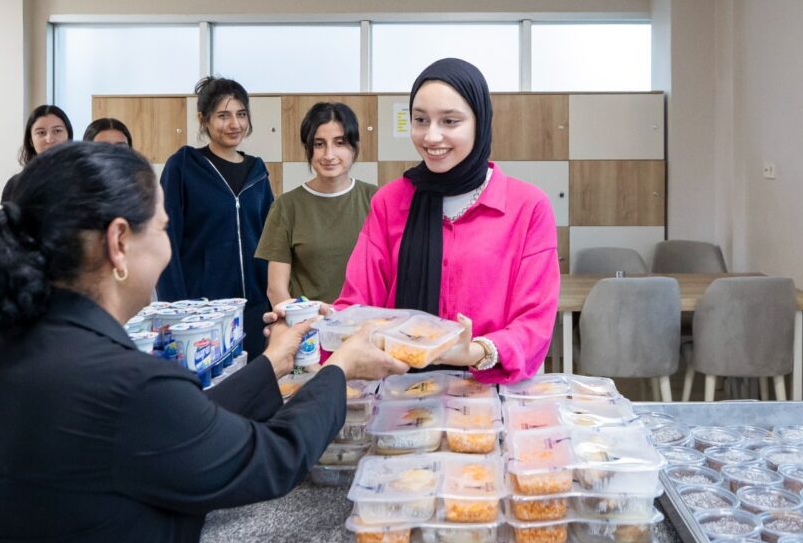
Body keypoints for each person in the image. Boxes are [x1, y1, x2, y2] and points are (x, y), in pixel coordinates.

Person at [0, 142, 407, 543]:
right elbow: (272, 458)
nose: (168, 245)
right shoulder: (127, 386)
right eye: (162, 227)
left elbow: (180, 423)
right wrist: (339, 369)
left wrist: (272, 363)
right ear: (118, 242)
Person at [335, 58, 560, 384]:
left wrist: (477, 351)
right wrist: (317, 323)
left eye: (450, 121)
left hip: (487, 395)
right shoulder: (390, 202)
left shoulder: (528, 207)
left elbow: (534, 323)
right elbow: (357, 302)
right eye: (420, 120)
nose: (431, 136)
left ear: (480, 122)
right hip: (399, 392)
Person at [157, 77, 273, 358]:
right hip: (201, 314)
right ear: (203, 118)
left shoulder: (257, 171)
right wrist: (177, 311)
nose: (235, 124)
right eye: (223, 115)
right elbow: (164, 239)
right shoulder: (184, 166)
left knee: (256, 382)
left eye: (241, 114)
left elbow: (271, 240)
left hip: (254, 309)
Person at [256, 102, 376, 304]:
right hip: (309, 321)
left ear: (354, 147)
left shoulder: (376, 200)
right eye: (319, 144)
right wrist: (298, 320)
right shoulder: (286, 206)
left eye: (339, 143)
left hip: (365, 320)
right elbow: (276, 290)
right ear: (308, 149)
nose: (329, 155)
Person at [1, 104, 73, 203]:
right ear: (31, 140)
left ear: (68, 136)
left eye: (57, 131)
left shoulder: (84, 179)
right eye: (41, 133)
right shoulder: (15, 185)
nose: (49, 139)